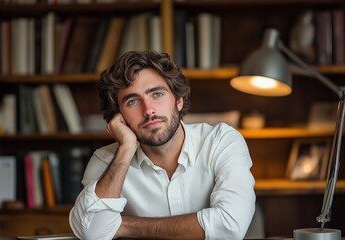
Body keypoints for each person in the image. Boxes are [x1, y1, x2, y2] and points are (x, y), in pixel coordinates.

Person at [69, 51, 256, 240]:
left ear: (179, 101)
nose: (148, 110)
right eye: (132, 101)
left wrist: (126, 226)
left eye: (157, 94)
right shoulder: (106, 160)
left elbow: (229, 227)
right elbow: (92, 233)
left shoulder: (221, 141)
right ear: (119, 117)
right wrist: (125, 149)